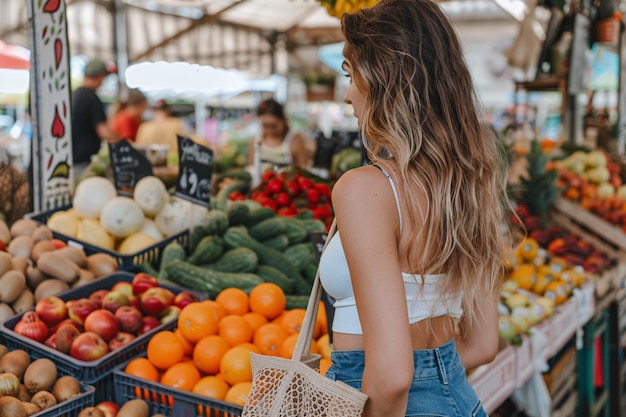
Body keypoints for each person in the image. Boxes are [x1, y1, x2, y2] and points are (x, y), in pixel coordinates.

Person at [318, 1, 514, 416]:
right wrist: (434, 374)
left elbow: (390, 376)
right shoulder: (471, 183)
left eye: (352, 76)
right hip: (458, 398)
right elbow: (482, 345)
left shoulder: (364, 189)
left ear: (386, 80)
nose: (349, 95)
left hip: (377, 398)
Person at [71, 59, 118, 173]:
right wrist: (122, 142)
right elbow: (103, 131)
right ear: (100, 76)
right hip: (84, 162)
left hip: (72, 158)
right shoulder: (91, 97)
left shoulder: (75, 94)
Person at [247, 98, 308, 185]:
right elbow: (251, 167)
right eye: (265, 125)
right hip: (261, 188)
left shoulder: (294, 140)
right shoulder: (256, 139)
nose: (269, 130)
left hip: (285, 189)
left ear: (283, 120)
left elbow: (303, 170)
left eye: (273, 125)